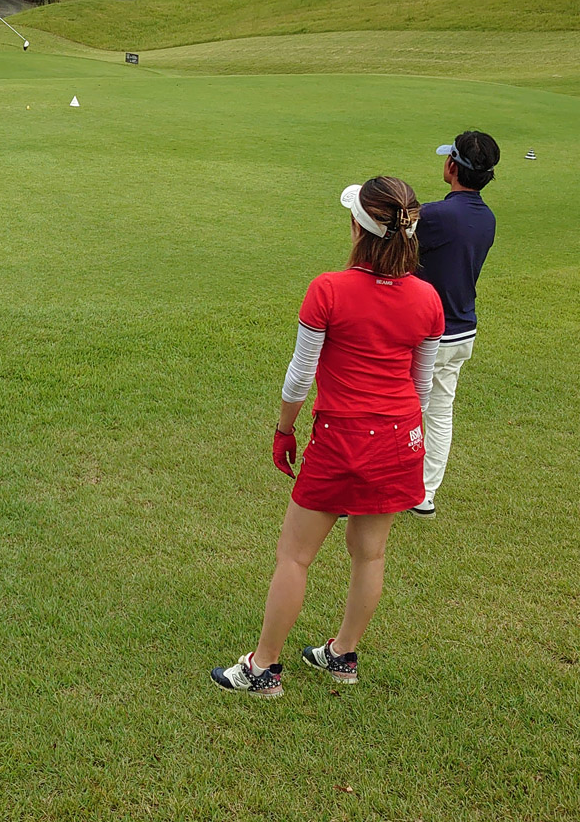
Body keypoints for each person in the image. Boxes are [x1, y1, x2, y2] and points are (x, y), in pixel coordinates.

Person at [211, 177, 443, 698]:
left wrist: (283, 428)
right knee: (370, 553)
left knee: (295, 555)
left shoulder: (329, 289)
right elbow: (420, 385)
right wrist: (404, 435)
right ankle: (342, 654)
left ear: (358, 227)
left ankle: (262, 667)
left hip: (341, 437)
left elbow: (300, 375)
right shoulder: (428, 298)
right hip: (398, 437)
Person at [408, 131, 499, 519]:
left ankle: (374, 487)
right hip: (464, 330)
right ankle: (424, 495)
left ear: (452, 166)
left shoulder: (435, 216)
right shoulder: (487, 218)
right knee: (440, 411)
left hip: (429, 334)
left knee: (398, 410)